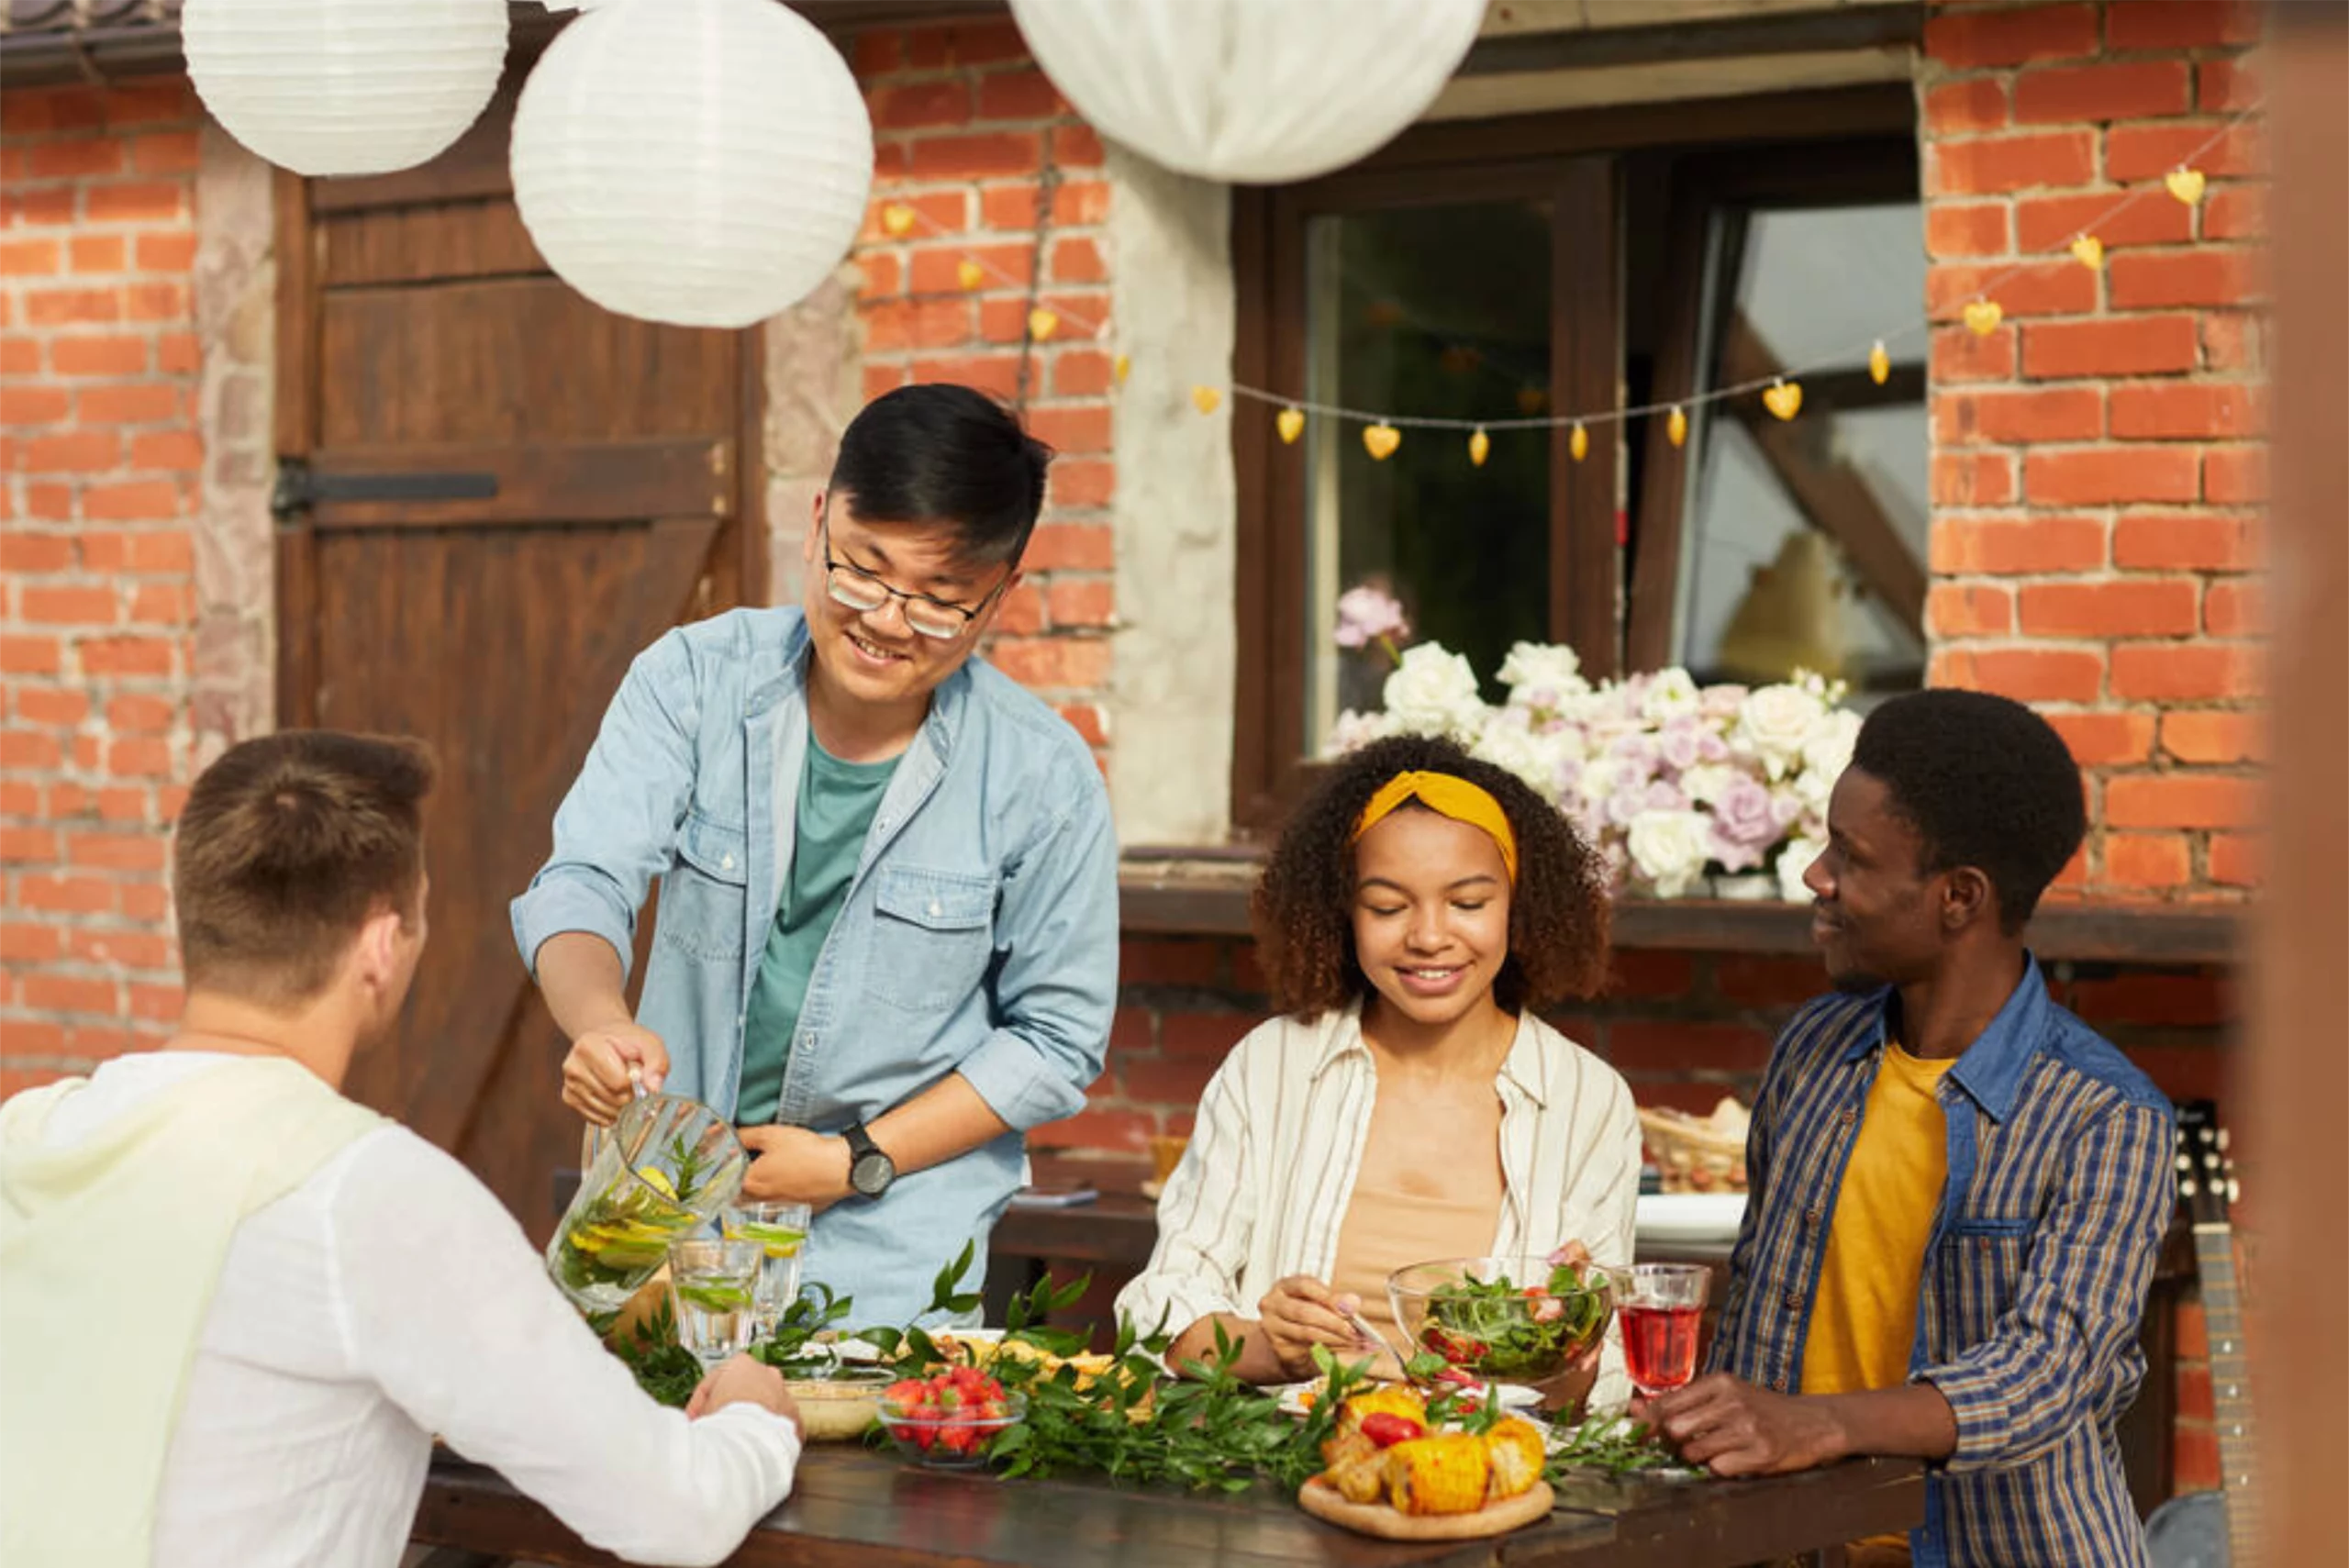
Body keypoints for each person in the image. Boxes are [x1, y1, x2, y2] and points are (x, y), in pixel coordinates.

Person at [0, 733, 803, 1568]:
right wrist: (752, 1411)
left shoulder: (30, 1134)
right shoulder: (365, 1192)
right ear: (383, 946)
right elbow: (676, 1510)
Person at [512, 384, 1118, 1327]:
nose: (884, 619)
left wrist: (854, 1158)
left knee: (868, 1480)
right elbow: (585, 879)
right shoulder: (690, 680)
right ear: (818, 521)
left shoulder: (1043, 774)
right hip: (663, 1227)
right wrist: (596, 1022)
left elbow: (1056, 1038)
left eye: (937, 601)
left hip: (893, 1249)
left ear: (1000, 598)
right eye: (863, 570)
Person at [1642, 690, 2176, 1568]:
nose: (1815, 876)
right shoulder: (1815, 1048)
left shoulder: (2106, 1115)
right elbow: (1762, 1307)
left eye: (1849, 857)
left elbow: (2046, 1372)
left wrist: (1814, 1424)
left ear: (1958, 897)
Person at [1118, 734, 1640, 1409]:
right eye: (1389, 906)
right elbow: (1159, 1316)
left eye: (1469, 902)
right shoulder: (1272, 1066)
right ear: (1344, 913)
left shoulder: (1588, 1100)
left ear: (1518, 905)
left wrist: (1565, 1338)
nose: (1428, 936)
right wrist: (1270, 1348)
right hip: (1281, 1459)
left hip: (1491, 1470)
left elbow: (1599, 1384)